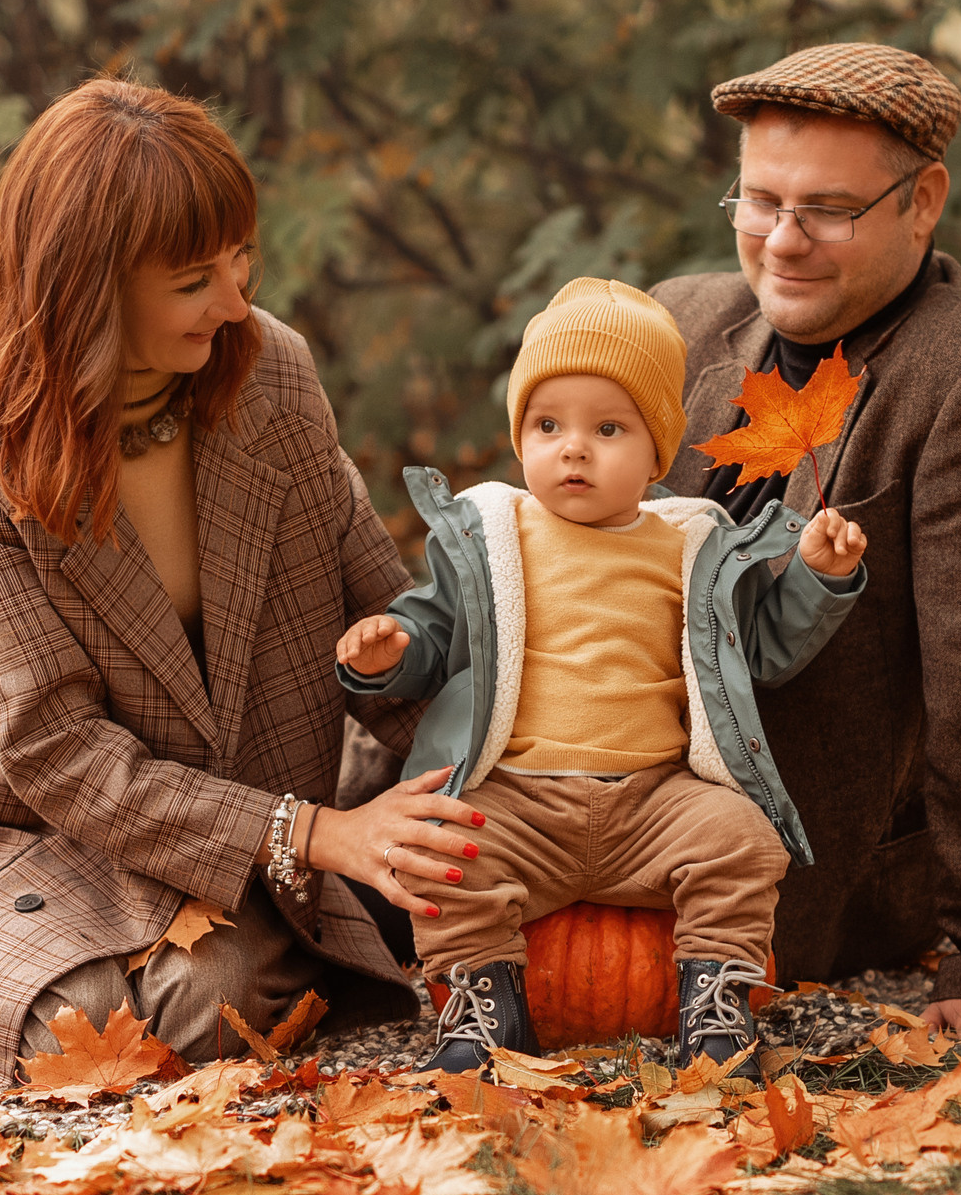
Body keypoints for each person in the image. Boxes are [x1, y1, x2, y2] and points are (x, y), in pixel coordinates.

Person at [0, 77, 486, 1089]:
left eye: (241, 261)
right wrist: (317, 835)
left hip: (237, 834)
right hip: (38, 838)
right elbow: (56, 753)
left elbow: (380, 612)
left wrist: (486, 803)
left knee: (217, 985)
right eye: (195, 279)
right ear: (88, 286)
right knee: (181, 1008)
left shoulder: (270, 373)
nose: (235, 302)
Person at [652, 43, 961, 1037]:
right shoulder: (673, 322)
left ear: (922, 199)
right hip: (597, 828)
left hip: (803, 875)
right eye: (760, 201)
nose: (783, 240)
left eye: (829, 210)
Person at [335, 279, 867, 1076]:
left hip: (654, 797)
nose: (573, 447)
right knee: (440, 849)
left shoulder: (692, 547)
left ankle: (716, 1004)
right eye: (548, 424)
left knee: (743, 839)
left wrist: (816, 580)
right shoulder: (491, 536)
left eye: (607, 427)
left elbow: (756, 648)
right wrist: (393, 649)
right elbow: (436, 632)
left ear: (658, 452)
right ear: (520, 439)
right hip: (518, 797)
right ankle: (483, 1007)